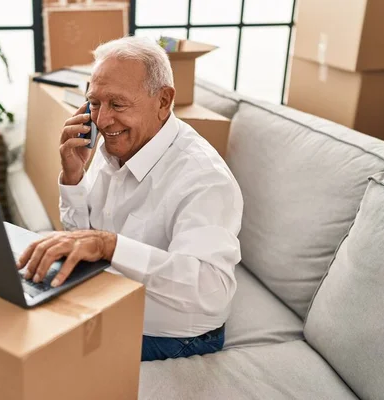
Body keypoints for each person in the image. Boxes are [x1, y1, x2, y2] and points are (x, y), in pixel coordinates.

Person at [17, 36, 243, 362]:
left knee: (43, 357)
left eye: (117, 104)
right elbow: (81, 236)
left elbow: (210, 292)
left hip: (177, 334)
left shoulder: (204, 178)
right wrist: (73, 177)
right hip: (107, 297)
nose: (102, 120)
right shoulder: (115, 146)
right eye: (94, 102)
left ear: (163, 101)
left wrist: (110, 246)